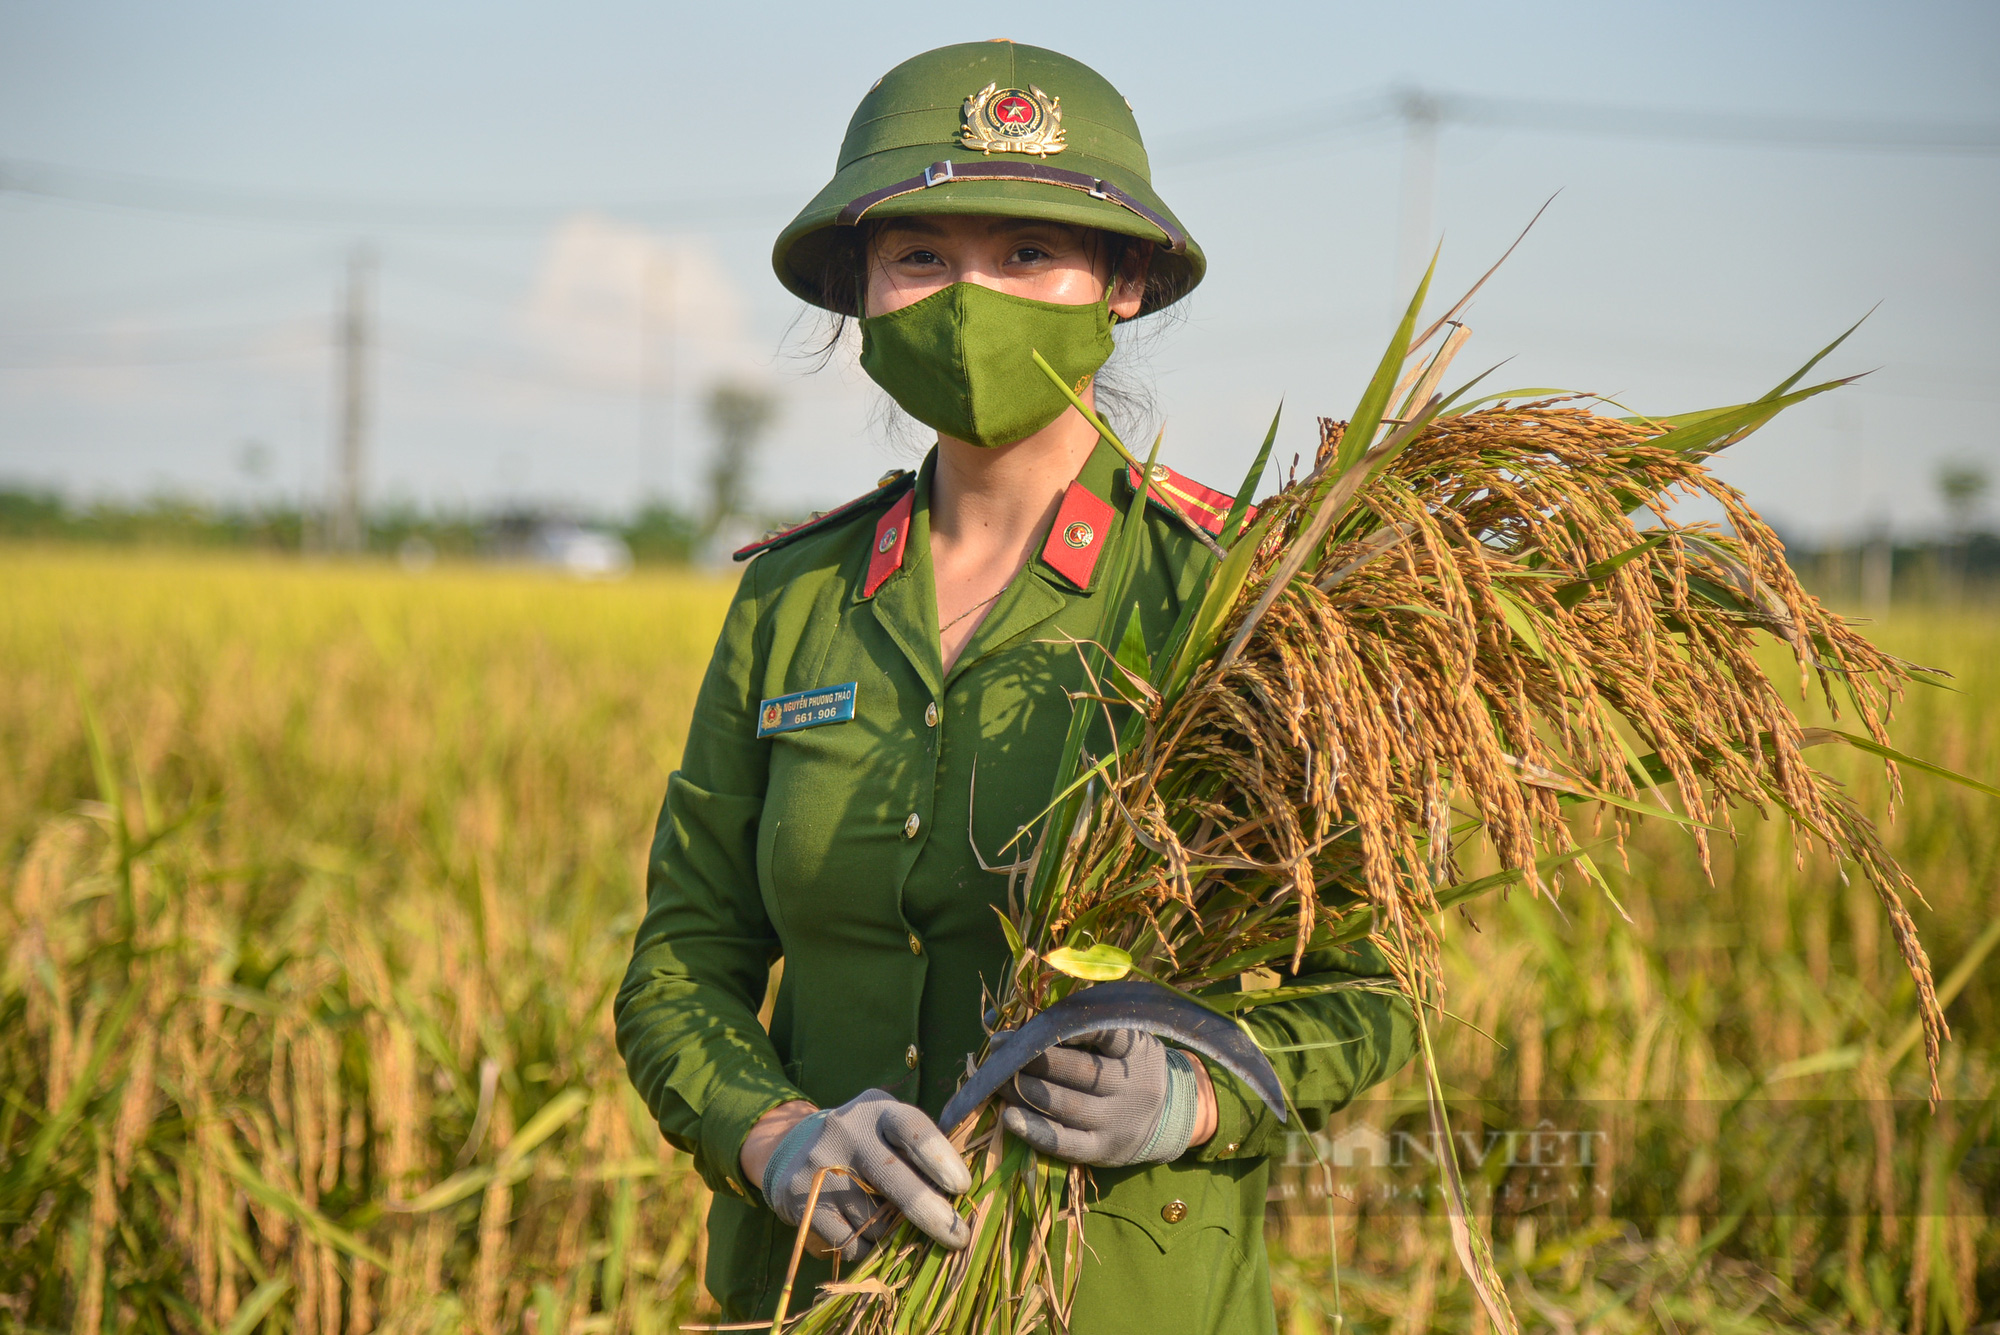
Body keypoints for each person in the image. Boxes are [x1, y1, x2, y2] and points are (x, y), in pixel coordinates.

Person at [615, 39, 1417, 1333]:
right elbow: (678, 969)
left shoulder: (1237, 602)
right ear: (858, 290)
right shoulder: (793, 601)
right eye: (922, 258)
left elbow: (1369, 993)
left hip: (1124, 1299)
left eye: (1029, 253)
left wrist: (1194, 1096)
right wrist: (774, 1137)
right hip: (825, 1296)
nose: (972, 297)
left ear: (1126, 281)